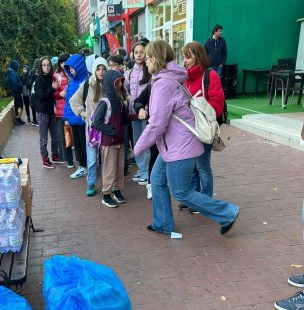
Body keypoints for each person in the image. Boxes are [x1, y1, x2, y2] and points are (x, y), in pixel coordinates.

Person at [133, 39, 239, 237]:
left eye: (147, 57)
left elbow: (157, 124)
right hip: (173, 146)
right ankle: (163, 223)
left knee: (181, 192)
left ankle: (227, 213)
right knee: (157, 180)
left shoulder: (163, 84)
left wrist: (138, 148)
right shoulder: (167, 79)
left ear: (156, 59)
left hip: (179, 147)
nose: (145, 61)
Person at [181, 41, 225, 204]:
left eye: (188, 57)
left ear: (198, 57)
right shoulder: (184, 77)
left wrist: (198, 108)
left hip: (203, 128)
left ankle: (205, 201)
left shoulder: (210, 75)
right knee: (191, 166)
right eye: (183, 57)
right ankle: (194, 198)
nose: (185, 61)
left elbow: (217, 104)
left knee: (202, 166)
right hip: (188, 129)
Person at [70, 57, 108, 196]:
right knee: (92, 159)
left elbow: (122, 96)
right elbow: (74, 101)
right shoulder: (87, 84)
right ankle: (91, 183)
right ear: (94, 70)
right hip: (92, 129)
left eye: (104, 69)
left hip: (106, 128)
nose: (101, 72)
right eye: (98, 69)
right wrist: (83, 113)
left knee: (105, 158)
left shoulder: (110, 83)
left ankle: (107, 183)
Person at [92, 70, 128, 208]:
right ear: (110, 84)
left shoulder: (120, 102)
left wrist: (138, 115)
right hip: (109, 142)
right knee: (110, 169)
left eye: (121, 82)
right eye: (118, 82)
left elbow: (124, 119)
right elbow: (96, 122)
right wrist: (111, 132)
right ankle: (106, 195)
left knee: (119, 169)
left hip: (119, 141)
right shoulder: (105, 102)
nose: (120, 85)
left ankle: (117, 191)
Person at [124, 40, 151, 186]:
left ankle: (147, 172)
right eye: (136, 52)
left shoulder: (150, 70)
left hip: (146, 113)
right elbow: (125, 90)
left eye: (142, 52)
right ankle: (141, 170)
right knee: (137, 143)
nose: (139, 55)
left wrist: (145, 108)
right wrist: (129, 99)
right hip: (133, 113)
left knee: (146, 143)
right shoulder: (129, 72)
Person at [32, 57, 60, 168]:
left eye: (48, 65)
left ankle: (55, 155)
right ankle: (45, 159)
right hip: (42, 112)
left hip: (51, 111)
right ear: (41, 67)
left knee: (55, 136)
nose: (46, 67)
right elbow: (41, 96)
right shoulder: (39, 80)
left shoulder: (52, 78)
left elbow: (54, 94)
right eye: (44, 65)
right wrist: (52, 88)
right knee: (44, 138)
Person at [63, 54, 88, 179]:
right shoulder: (72, 82)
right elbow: (68, 102)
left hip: (83, 119)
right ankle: (82, 166)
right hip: (74, 119)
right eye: (70, 68)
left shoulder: (87, 81)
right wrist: (67, 118)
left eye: (73, 68)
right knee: (78, 144)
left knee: (85, 144)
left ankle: (87, 165)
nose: (71, 71)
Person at [53, 52, 74, 167]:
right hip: (61, 110)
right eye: (61, 62)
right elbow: (53, 93)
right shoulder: (56, 75)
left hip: (74, 109)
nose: (63, 64)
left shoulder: (73, 73)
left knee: (75, 134)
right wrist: (59, 94)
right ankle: (67, 158)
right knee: (65, 135)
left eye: (65, 62)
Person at [5, 60, 25, 125]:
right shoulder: (13, 73)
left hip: (15, 91)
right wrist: (21, 85)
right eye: (17, 67)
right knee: (19, 105)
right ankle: (18, 119)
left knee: (18, 104)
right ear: (15, 66)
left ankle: (18, 118)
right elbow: (14, 82)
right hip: (17, 91)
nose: (18, 68)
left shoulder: (11, 72)